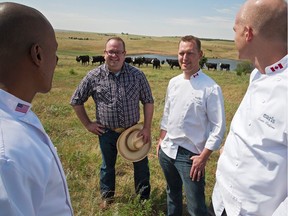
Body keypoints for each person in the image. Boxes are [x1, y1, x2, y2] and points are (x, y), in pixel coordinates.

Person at [210, 0, 287, 215]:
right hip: (221, 201)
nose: (233, 36)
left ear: (247, 33)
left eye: (234, 30)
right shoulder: (257, 73)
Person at [0, 2, 73, 216]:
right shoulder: (7, 154)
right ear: (38, 54)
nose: (57, 61)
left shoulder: (17, 113)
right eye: (55, 51)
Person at [70, 36, 154, 209]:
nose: (114, 55)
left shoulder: (137, 75)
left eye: (118, 52)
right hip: (106, 132)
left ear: (124, 54)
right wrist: (88, 124)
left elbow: (148, 101)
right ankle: (107, 198)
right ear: (104, 54)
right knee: (107, 166)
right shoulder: (93, 76)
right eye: (110, 52)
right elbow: (76, 100)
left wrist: (146, 127)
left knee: (141, 167)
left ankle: (143, 199)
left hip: (133, 132)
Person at [157, 35, 226, 216]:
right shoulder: (173, 82)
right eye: (181, 53)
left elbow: (218, 128)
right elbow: (167, 113)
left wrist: (203, 157)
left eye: (190, 53)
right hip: (167, 149)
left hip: (190, 157)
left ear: (200, 55)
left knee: (196, 207)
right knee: (172, 194)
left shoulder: (211, 88)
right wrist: (161, 139)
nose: (185, 58)